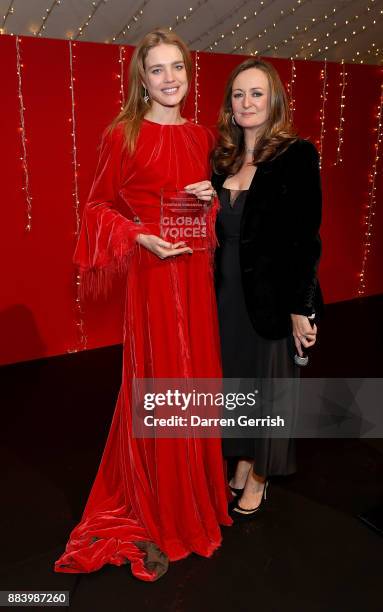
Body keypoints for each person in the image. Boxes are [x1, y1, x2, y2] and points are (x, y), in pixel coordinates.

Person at [54, 29, 231, 582]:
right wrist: (139, 237)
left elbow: (211, 219)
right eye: (157, 69)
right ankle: (163, 501)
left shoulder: (205, 136)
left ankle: (194, 498)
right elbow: (96, 208)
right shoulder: (122, 134)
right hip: (153, 279)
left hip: (196, 280)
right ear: (142, 79)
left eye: (177, 66)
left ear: (187, 72)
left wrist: (210, 201)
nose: (170, 78)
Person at [211, 58, 323, 521]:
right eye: (239, 94)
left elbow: (305, 237)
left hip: (274, 300)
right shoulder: (222, 159)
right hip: (224, 297)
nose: (247, 102)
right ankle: (241, 458)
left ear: (274, 99)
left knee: (268, 389)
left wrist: (303, 306)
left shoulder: (296, 154)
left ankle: (259, 475)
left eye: (257, 93)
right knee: (236, 385)